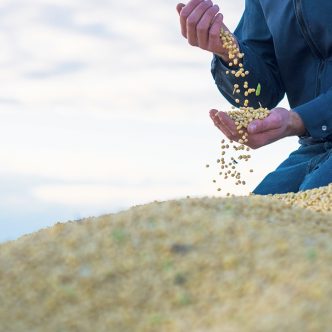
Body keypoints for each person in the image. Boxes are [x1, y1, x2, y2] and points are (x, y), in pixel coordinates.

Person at [176, 0, 332, 195]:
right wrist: (229, 53)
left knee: (310, 217)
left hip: (313, 132)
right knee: (252, 220)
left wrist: (302, 119)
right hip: (313, 147)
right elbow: (261, 94)